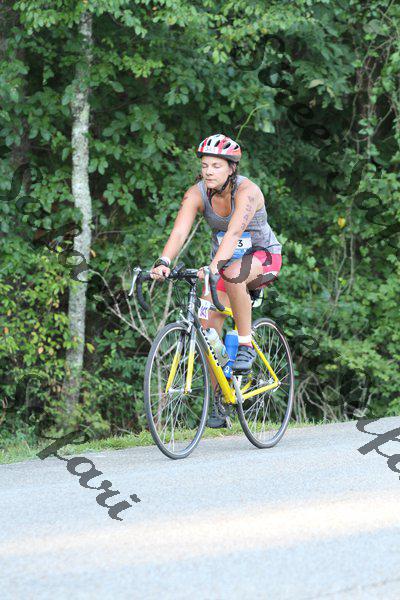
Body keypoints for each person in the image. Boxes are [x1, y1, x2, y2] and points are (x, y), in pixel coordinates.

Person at [151, 133, 282, 427]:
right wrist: (164, 261)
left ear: (231, 168)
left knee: (233, 274)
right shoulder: (197, 193)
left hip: (263, 258)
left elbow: (234, 233)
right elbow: (179, 232)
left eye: (216, 166)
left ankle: (246, 345)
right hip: (223, 266)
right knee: (207, 327)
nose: (209, 171)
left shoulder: (247, 192)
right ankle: (222, 399)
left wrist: (212, 266)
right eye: (205, 165)